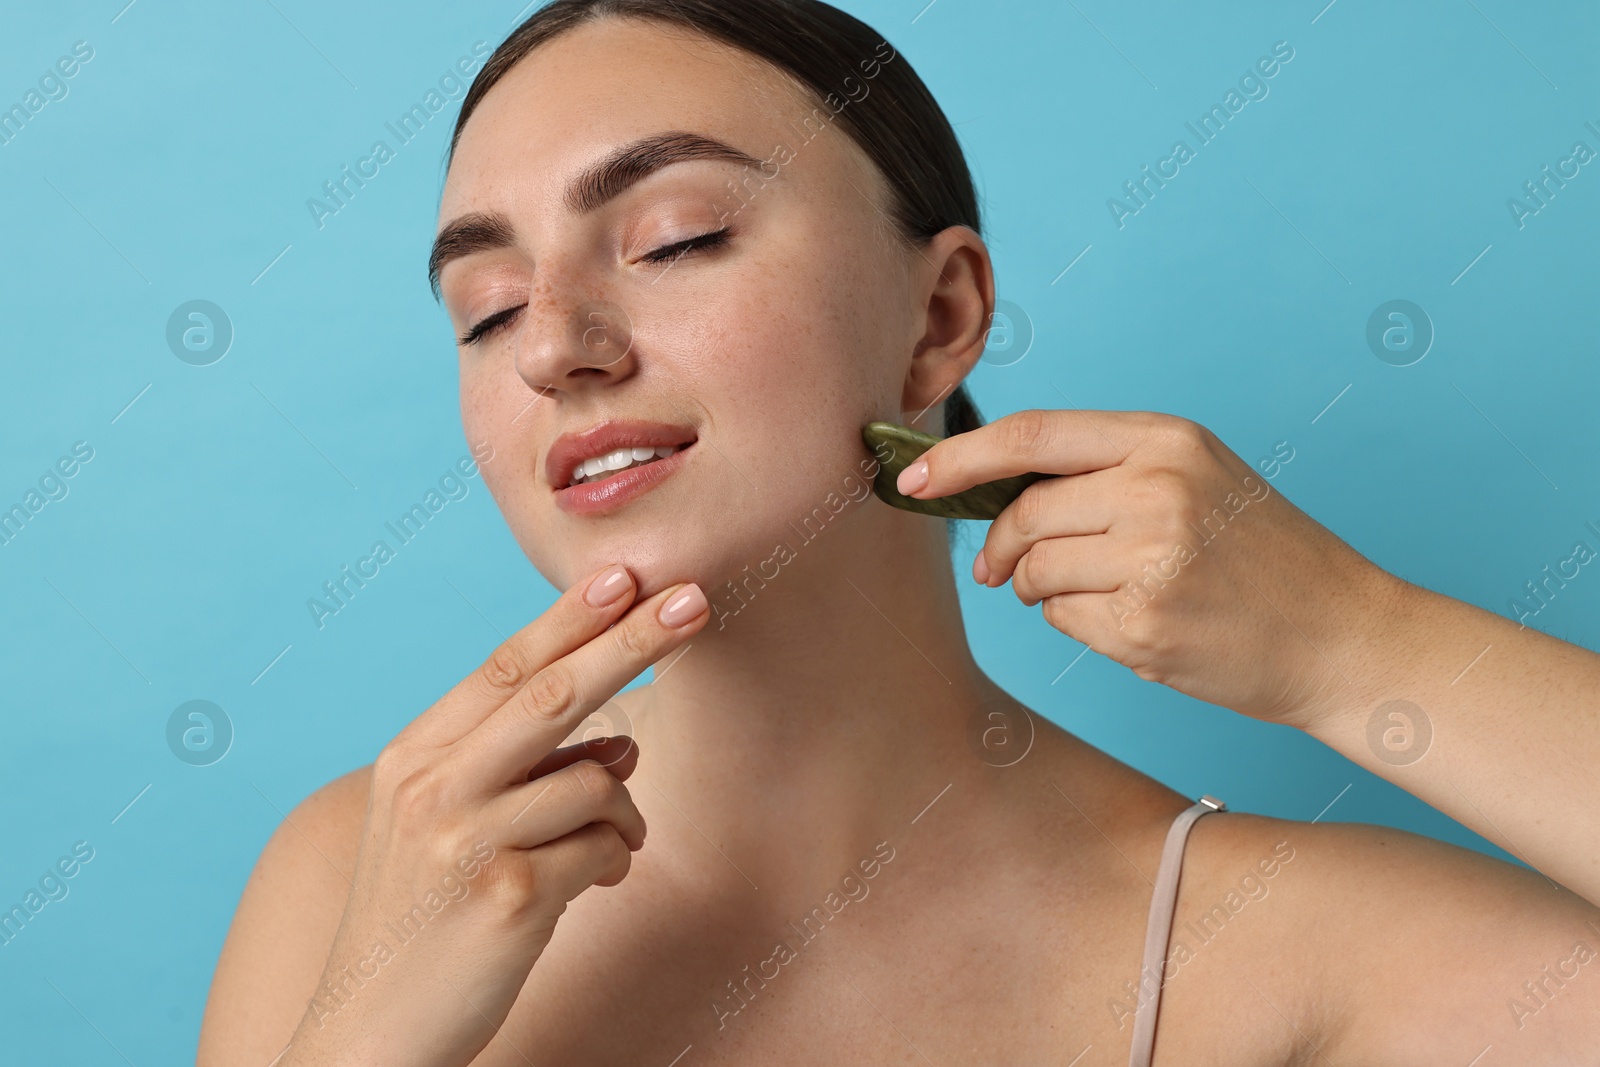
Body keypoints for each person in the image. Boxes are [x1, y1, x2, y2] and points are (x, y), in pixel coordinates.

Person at [197, 2, 1600, 1064]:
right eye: (486, 309)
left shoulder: (1294, 953)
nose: (552, 346)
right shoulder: (355, 877)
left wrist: (1358, 644)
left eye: (677, 236)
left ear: (938, 320)